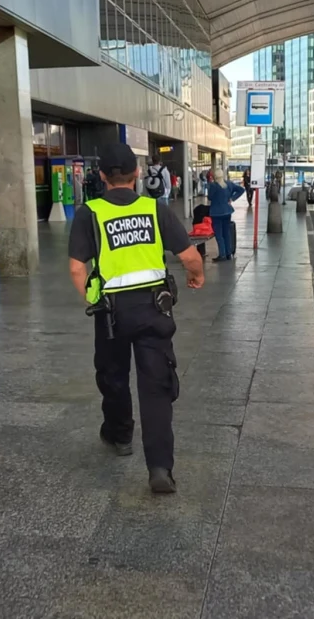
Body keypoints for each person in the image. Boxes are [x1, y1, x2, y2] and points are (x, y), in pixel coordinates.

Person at [68, 143, 205, 494]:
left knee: (113, 375)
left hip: (111, 312)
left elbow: (76, 266)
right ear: (137, 174)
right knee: (156, 386)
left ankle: (120, 435)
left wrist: (91, 297)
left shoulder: (90, 212)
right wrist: (195, 276)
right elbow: (189, 255)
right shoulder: (154, 209)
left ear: (101, 176)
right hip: (154, 309)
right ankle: (160, 467)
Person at [206, 169, 245, 262]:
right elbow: (241, 189)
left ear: (215, 177)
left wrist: (209, 186)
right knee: (226, 233)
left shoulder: (213, 186)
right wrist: (232, 198)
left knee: (219, 234)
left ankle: (222, 254)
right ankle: (228, 253)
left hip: (216, 213)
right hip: (227, 211)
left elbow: (210, 197)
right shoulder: (229, 184)